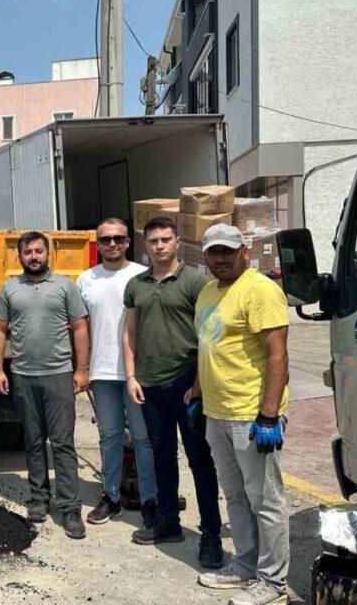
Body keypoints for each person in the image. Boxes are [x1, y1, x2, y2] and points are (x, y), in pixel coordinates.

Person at [193, 224, 290, 605]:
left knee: (265, 501)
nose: (220, 259)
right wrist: (198, 391)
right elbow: (209, 345)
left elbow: (277, 355)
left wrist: (268, 416)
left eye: (227, 251)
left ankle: (273, 582)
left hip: (250, 414)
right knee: (235, 495)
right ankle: (246, 564)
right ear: (205, 255)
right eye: (213, 252)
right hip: (217, 412)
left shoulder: (260, 290)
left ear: (243, 252)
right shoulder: (208, 292)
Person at [122, 215, 224, 568]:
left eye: (166, 239)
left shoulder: (196, 282)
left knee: (200, 459)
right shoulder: (136, 285)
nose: (160, 245)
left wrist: (198, 383)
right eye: (153, 241)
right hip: (149, 385)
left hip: (186, 385)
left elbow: (209, 336)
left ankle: (211, 534)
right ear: (145, 244)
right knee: (161, 456)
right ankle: (168, 523)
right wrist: (131, 376)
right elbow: (129, 333)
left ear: (177, 242)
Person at [0, 231, 90, 539]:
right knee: (33, 441)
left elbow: (80, 327)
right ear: (19, 256)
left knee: (62, 442)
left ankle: (70, 507)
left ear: (48, 254)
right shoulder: (10, 288)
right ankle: (38, 498)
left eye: (38, 251)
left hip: (58, 375)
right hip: (23, 375)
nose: (33, 256)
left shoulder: (65, 286)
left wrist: (82, 369)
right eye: (28, 252)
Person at [76, 218, 158, 528]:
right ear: (97, 244)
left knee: (142, 438)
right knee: (109, 436)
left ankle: (150, 500)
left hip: (138, 373)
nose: (112, 243)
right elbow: (79, 328)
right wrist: (82, 368)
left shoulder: (143, 275)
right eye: (106, 239)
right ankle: (110, 497)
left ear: (127, 242)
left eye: (118, 238)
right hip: (102, 372)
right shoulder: (85, 280)